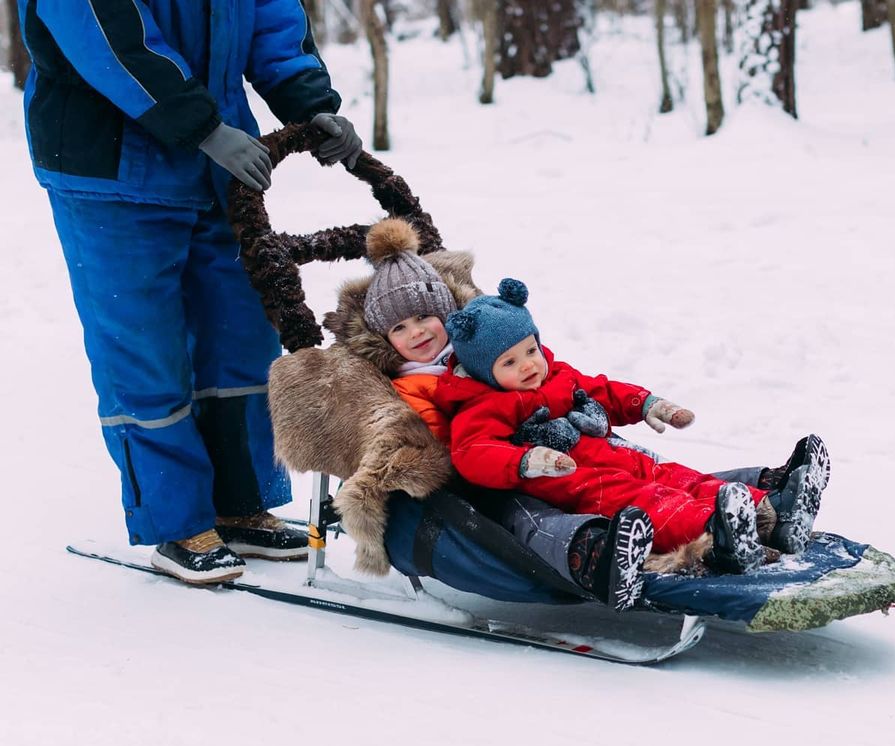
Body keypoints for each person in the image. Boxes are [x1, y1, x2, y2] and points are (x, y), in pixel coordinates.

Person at [18, 1, 365, 585]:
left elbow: (271, 18)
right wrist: (200, 126)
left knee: (241, 332)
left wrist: (312, 105)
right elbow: (108, 38)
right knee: (143, 346)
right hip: (111, 165)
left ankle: (239, 500)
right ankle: (176, 519)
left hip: (217, 161)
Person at [433, 278, 831, 578]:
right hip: (575, 481)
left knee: (679, 477)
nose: (528, 366)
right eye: (510, 362)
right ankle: (718, 531)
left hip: (613, 454)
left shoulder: (557, 375)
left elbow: (602, 390)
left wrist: (647, 404)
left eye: (531, 350)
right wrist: (525, 460)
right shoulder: (480, 405)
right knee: (651, 499)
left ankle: (771, 514)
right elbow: (471, 453)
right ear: (485, 370)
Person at [351, 219, 654, 610]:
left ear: (446, 314)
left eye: (425, 317)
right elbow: (443, 440)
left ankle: (715, 508)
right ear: (385, 338)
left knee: (625, 466)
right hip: (490, 475)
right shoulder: (410, 386)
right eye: (400, 327)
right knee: (528, 518)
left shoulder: (482, 346)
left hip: (550, 449)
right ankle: (592, 553)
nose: (417, 333)